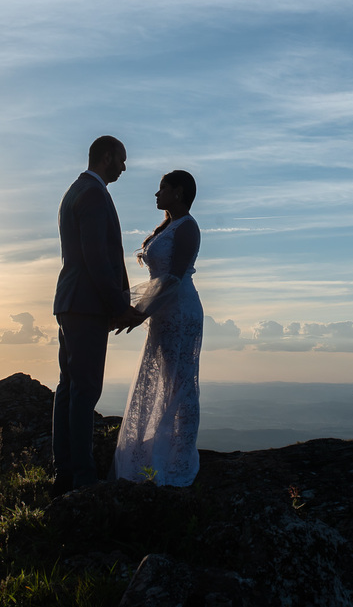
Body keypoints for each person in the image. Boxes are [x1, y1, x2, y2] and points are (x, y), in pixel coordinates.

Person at [52, 136, 145, 495]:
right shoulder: (92, 194)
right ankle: (82, 475)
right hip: (86, 304)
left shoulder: (77, 190)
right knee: (85, 388)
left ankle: (65, 470)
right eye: (121, 160)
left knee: (70, 387)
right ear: (107, 157)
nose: (124, 166)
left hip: (72, 301)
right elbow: (96, 258)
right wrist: (119, 307)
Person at [113, 169, 203, 487]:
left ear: (178, 192)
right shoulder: (170, 227)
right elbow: (160, 280)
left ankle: (180, 455)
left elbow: (174, 279)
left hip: (180, 310)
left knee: (182, 381)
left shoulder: (188, 228)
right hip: (165, 311)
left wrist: (141, 312)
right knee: (169, 377)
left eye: (162, 188)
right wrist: (143, 311)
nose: (156, 194)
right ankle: (163, 450)